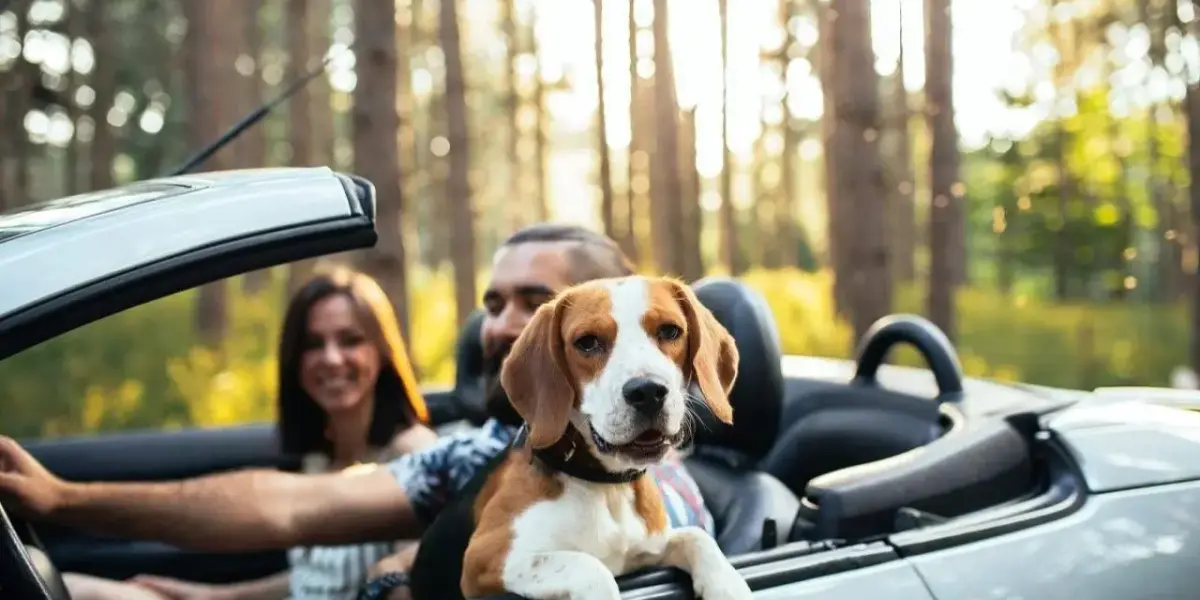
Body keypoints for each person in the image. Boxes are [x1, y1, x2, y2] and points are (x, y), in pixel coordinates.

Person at [0, 224, 714, 600]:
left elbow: (662, 531)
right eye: (494, 305)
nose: (503, 327)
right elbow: (292, 506)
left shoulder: (664, 486)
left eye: (535, 302)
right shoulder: (487, 451)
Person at [48, 268, 439, 600]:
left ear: (382, 351)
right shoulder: (321, 456)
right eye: (314, 344)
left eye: (350, 340)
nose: (332, 358)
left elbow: (413, 578)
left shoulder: (415, 457)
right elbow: (314, 581)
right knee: (70, 587)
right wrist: (212, 595)